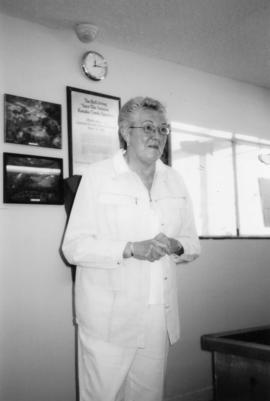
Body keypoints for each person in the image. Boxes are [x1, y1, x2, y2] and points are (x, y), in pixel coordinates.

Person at [62, 96, 200, 401]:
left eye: (163, 129)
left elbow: (192, 243)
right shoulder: (98, 176)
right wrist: (129, 248)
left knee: (148, 397)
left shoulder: (175, 180)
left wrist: (176, 245)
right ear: (125, 131)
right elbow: (74, 247)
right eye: (148, 127)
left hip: (157, 314)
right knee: (102, 396)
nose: (157, 135)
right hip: (108, 316)